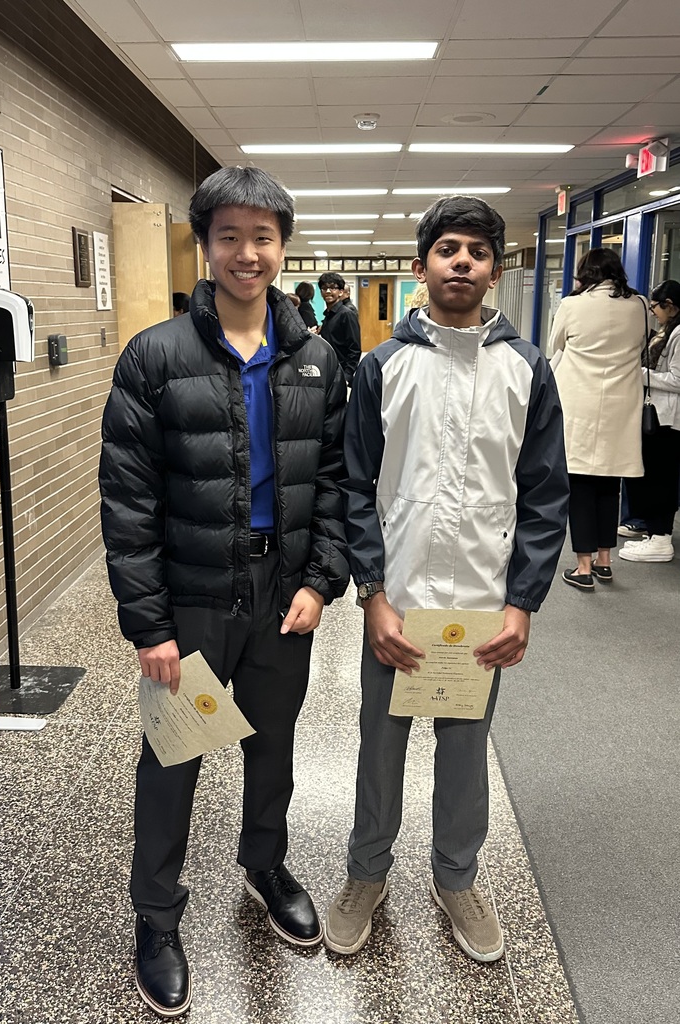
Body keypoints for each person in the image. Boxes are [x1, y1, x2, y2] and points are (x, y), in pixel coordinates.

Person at [99, 165, 349, 1018]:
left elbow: (342, 482)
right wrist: (149, 625)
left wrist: (321, 581)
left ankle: (264, 864)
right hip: (195, 596)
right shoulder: (155, 357)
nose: (248, 252)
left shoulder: (316, 359)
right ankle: (157, 917)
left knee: (270, 743)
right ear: (205, 245)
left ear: (283, 247)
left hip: (283, 594)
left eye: (264, 236)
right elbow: (128, 500)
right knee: (173, 757)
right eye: (230, 236)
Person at [324, 196, 568, 962]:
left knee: (465, 749)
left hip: (479, 603)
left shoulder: (524, 368)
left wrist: (522, 602)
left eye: (476, 251)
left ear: (496, 269)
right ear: (420, 266)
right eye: (446, 249)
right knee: (380, 744)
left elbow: (544, 493)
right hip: (396, 600)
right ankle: (367, 873)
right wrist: (372, 593)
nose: (460, 261)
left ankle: (454, 877)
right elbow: (352, 484)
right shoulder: (382, 365)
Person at [550, 248, 646, 590]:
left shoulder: (572, 305)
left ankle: (583, 566)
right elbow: (641, 346)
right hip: (622, 404)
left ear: (584, 273)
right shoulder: (640, 305)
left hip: (581, 402)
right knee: (610, 483)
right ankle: (606, 561)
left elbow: (554, 345)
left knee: (579, 486)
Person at [619, 279, 680, 563]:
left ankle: (661, 538)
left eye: (655, 306)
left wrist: (642, 374)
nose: (653, 312)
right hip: (657, 414)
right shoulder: (669, 331)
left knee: (661, 478)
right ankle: (654, 533)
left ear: (669, 305)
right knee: (652, 475)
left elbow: (678, 379)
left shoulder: (679, 334)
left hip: (668, 420)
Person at [318, 271, 361, 385]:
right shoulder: (328, 315)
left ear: (341, 292)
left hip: (341, 372)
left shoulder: (346, 314)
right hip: (327, 370)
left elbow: (355, 348)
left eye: (333, 288)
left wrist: (347, 375)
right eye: (324, 288)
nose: (328, 291)